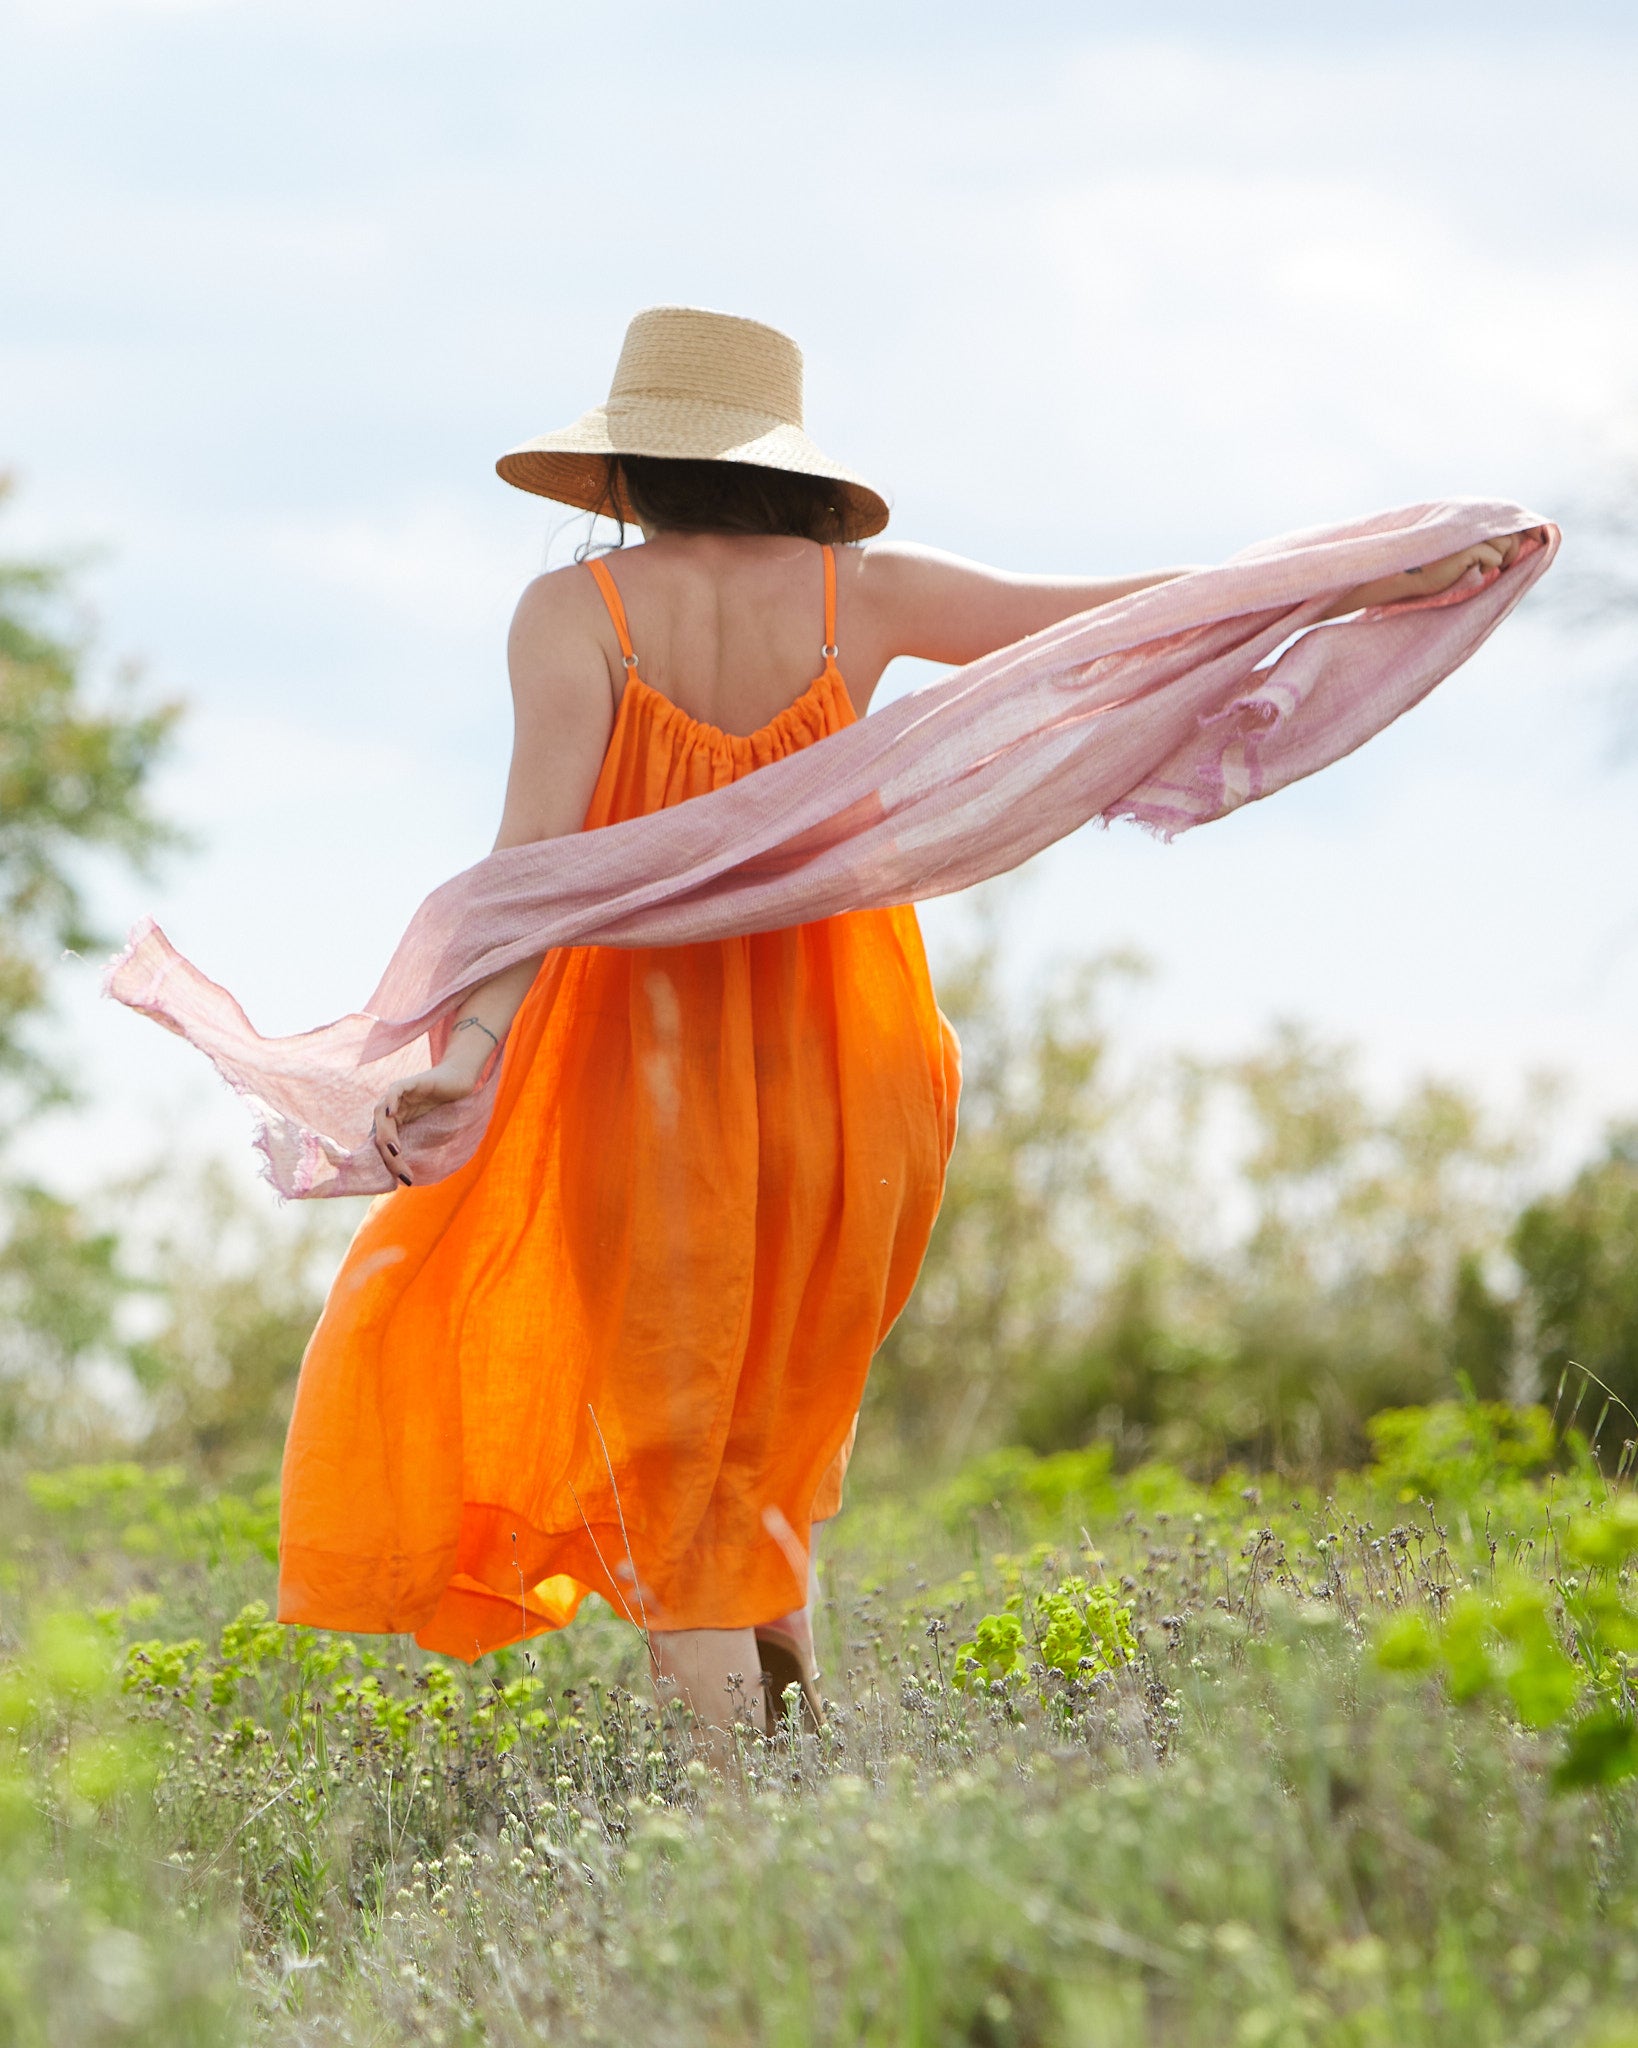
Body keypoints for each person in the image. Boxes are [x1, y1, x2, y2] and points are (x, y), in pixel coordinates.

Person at [310, 305, 1527, 1747]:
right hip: (855, 1060)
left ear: (624, 463)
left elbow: (531, 865)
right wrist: (1369, 573)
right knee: (768, 1436)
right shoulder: (862, 596)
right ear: (789, 461)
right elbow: (1138, 617)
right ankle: (802, 1769)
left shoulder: (571, 614)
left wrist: (467, 1053)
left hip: (639, 1070)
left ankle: (734, 1836)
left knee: (675, 1435)